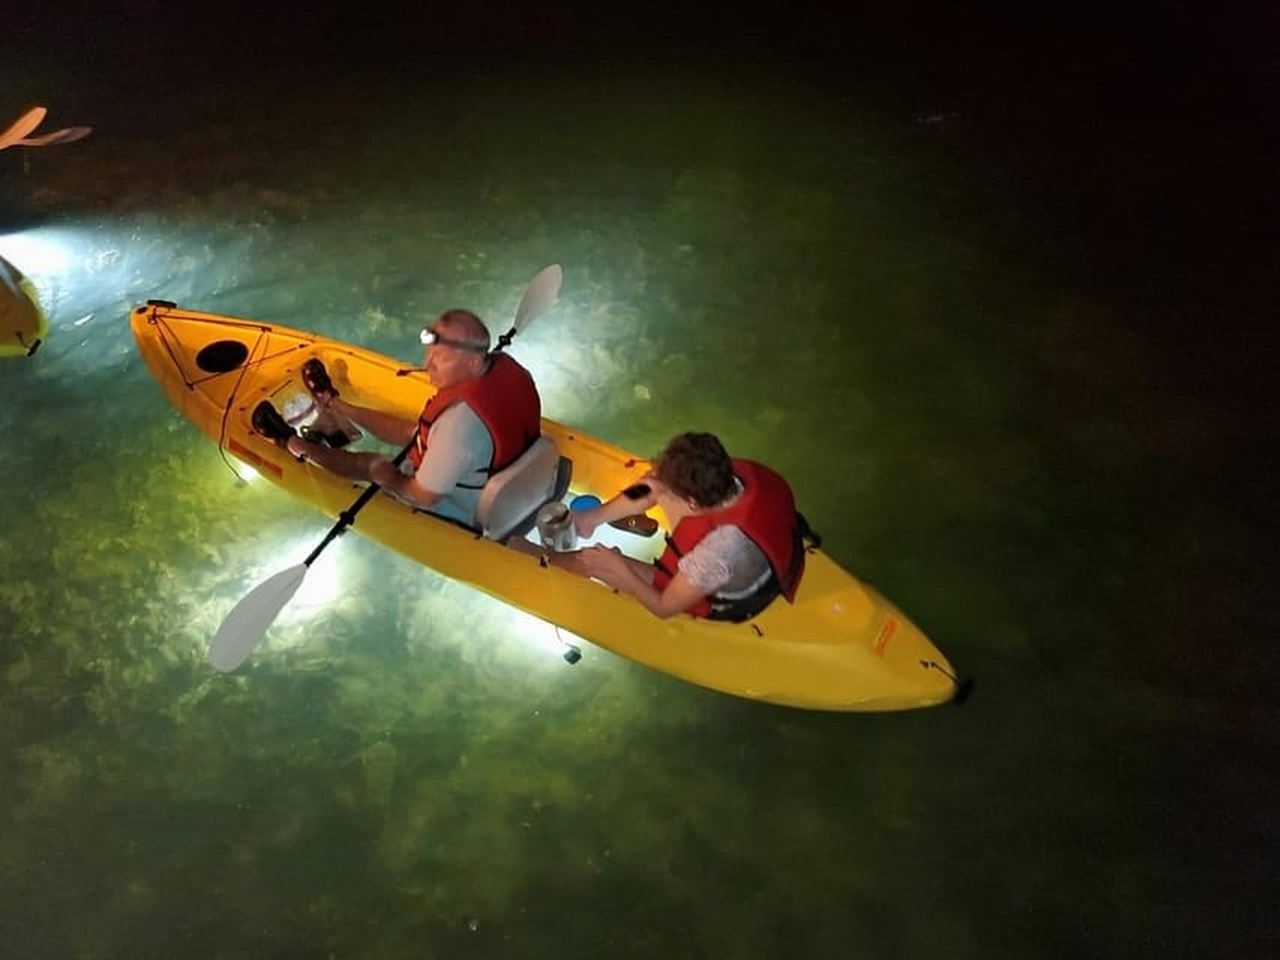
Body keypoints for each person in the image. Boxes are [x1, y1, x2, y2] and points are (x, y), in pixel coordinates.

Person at [251, 308, 542, 528]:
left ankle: (289, 442)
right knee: (413, 433)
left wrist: (387, 476)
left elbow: (423, 496)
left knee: (372, 464)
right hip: (502, 471)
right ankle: (337, 406)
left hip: (465, 506)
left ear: (473, 361)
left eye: (440, 359)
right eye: (430, 352)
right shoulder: (509, 369)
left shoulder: (458, 426)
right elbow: (420, 433)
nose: (426, 364)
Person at [557, 432, 807, 621]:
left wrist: (620, 570)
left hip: (730, 596)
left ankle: (530, 554)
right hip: (750, 555)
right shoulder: (729, 477)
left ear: (693, 503)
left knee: (588, 560)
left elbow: (664, 608)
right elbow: (656, 484)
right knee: (654, 484)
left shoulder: (717, 551)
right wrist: (595, 516)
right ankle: (590, 520)